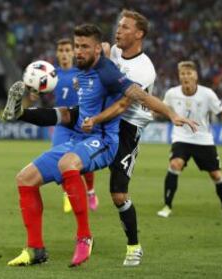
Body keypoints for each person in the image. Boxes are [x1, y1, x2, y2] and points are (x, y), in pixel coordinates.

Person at [4, 24, 197, 268]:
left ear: (97, 49)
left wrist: (171, 113)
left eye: (84, 47)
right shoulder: (81, 73)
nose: (78, 52)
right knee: (25, 178)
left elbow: (140, 95)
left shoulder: (106, 72)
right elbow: (68, 114)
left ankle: (85, 237)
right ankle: (35, 250)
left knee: (70, 165)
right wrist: (23, 113)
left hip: (105, 141)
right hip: (78, 138)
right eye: (77, 46)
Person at [82, 9, 156, 266]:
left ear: (139, 34)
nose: (119, 30)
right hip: (105, 118)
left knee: (118, 195)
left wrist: (96, 119)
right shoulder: (114, 51)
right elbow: (102, 53)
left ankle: (134, 246)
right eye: (119, 26)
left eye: (125, 27)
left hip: (127, 127)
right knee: (69, 159)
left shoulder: (145, 69)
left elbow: (124, 105)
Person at [156, 61, 222, 219]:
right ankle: (167, 206)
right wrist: (149, 114)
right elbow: (162, 109)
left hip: (203, 139)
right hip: (181, 137)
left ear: (196, 76)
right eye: (182, 74)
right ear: (179, 76)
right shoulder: (172, 93)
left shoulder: (207, 94)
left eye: (189, 73)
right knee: (175, 164)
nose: (186, 76)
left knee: (216, 175)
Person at [53, 38, 98, 213]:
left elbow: (94, 92)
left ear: (72, 53)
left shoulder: (81, 72)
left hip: (81, 121)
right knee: (59, 159)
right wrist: (34, 95)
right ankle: (67, 196)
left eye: (67, 50)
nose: (64, 54)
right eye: (61, 50)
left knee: (83, 159)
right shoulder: (52, 75)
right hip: (63, 122)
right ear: (57, 54)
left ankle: (91, 192)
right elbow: (39, 91)